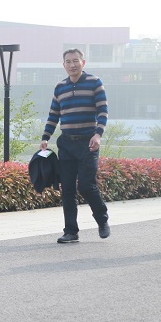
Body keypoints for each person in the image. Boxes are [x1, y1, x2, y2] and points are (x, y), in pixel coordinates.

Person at [40, 48, 110, 244]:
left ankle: (102, 219)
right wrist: (45, 137)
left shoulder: (94, 83)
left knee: (87, 186)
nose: (72, 65)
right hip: (66, 144)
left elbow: (103, 111)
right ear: (64, 65)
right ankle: (71, 231)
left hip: (88, 143)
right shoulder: (60, 87)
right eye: (68, 62)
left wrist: (98, 135)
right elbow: (53, 115)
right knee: (68, 189)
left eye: (75, 61)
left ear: (83, 63)